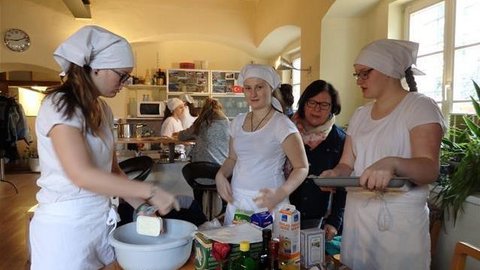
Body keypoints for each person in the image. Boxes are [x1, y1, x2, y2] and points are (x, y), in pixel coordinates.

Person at [29, 25, 179, 270]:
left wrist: (140, 205)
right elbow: (81, 175)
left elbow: (112, 171)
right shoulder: (59, 104)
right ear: (96, 67)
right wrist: (149, 190)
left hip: (100, 221)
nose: (125, 83)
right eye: (122, 75)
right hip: (65, 229)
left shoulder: (104, 110)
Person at [320, 39, 445, 269]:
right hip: (358, 220)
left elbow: (429, 168)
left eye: (365, 74)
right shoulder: (360, 114)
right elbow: (347, 163)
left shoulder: (419, 107)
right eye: (356, 75)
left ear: (388, 70)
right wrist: (334, 174)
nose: (359, 81)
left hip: (398, 227)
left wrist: (393, 163)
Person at [215, 64, 309, 225]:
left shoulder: (282, 124)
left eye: (259, 87)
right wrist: (220, 175)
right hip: (238, 201)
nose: (253, 93)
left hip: (269, 203)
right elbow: (232, 158)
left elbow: (301, 167)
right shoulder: (237, 122)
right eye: (248, 88)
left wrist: (281, 192)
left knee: (266, 248)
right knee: (237, 248)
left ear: (270, 88)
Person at [288, 80, 346, 242]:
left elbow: (343, 186)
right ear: (304, 103)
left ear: (332, 108)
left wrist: (334, 222)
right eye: (312, 102)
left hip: (317, 218)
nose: (316, 109)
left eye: (324, 105)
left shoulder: (339, 139)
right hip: (281, 211)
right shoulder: (286, 129)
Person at [178, 97, 229, 165]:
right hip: (222, 165)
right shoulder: (228, 124)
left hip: (201, 165)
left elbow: (182, 136)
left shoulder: (201, 123)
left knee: (186, 169)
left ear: (204, 110)